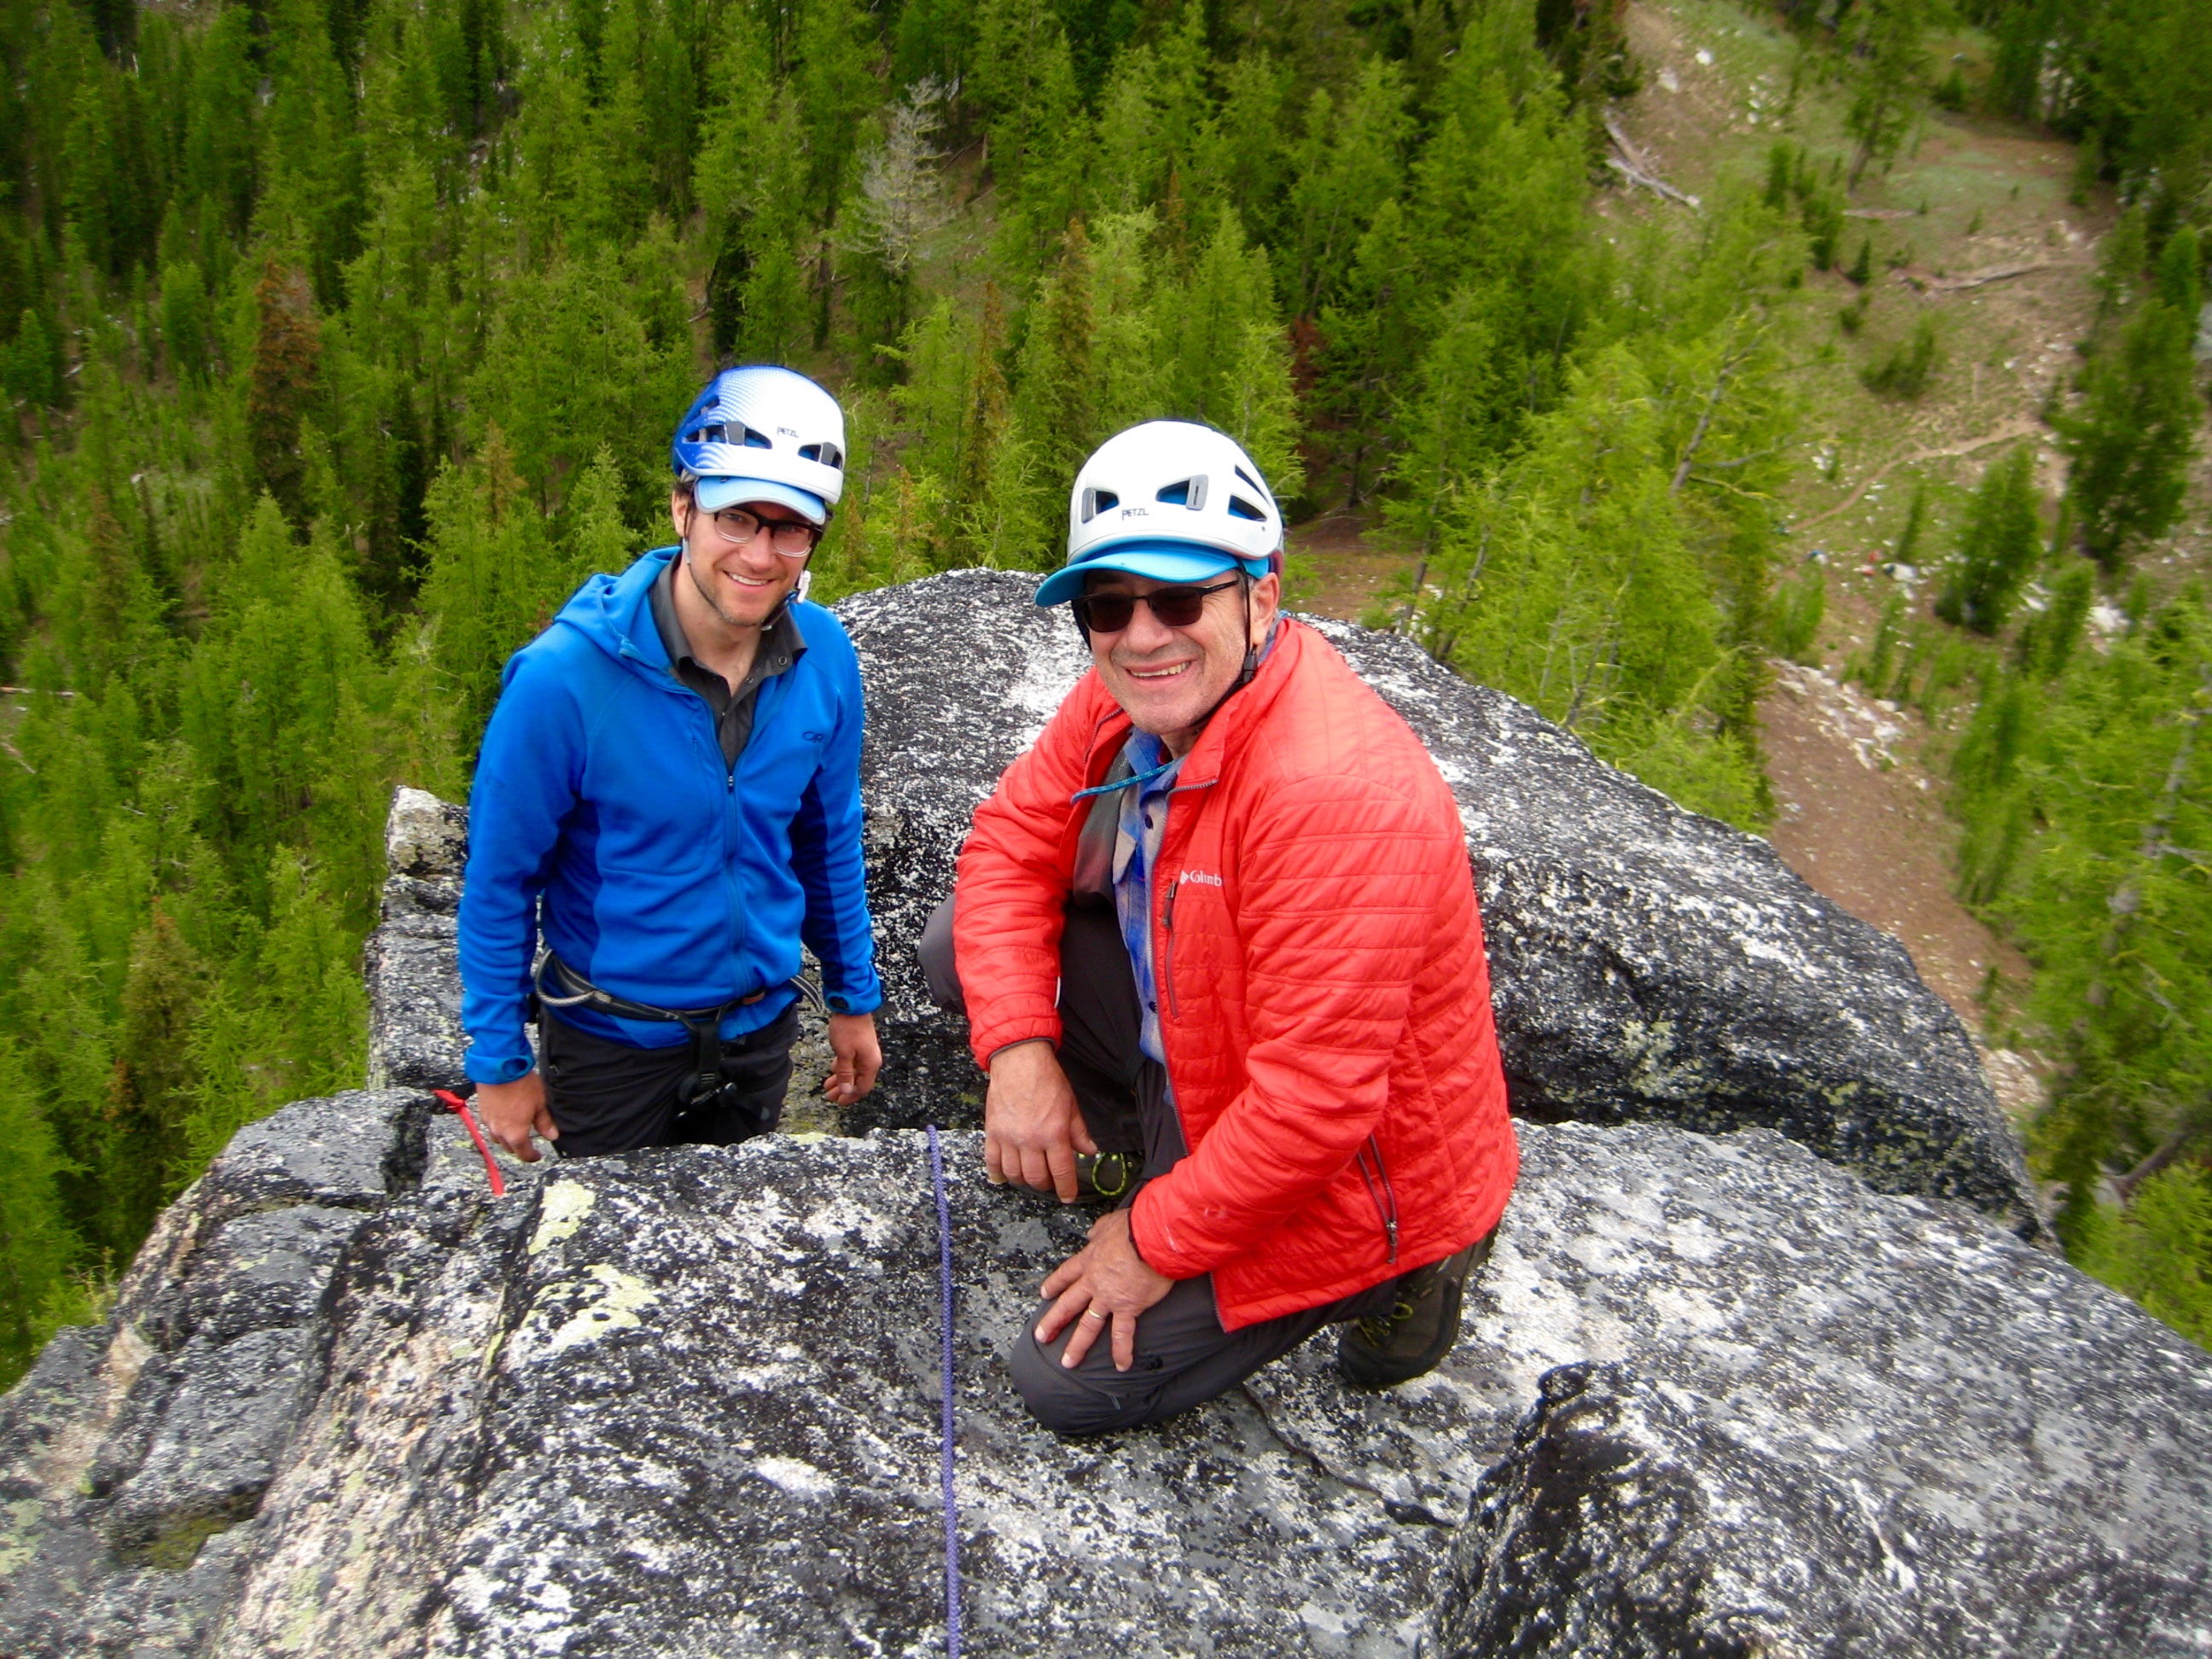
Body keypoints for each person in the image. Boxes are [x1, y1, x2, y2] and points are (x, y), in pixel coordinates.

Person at [923, 420, 1518, 1435]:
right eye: (1108, 606)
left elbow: (1315, 1106)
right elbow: (1009, 846)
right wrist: (1019, 1051)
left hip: (1348, 1166)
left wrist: (1149, 1242)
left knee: (1066, 1381)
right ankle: (1154, 1158)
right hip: (1219, 1053)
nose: (1142, 635)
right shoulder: (1127, 706)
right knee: (958, 951)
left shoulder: (1328, 791)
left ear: (1262, 594)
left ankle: (1415, 1267)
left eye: (1179, 598)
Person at [458, 365, 882, 1162]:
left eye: (790, 528)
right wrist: (499, 1060)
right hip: (610, 1043)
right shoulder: (564, 680)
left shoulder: (824, 656)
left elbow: (827, 841)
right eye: (737, 518)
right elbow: (500, 879)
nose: (760, 555)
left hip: (758, 1032)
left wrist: (852, 997)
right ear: (683, 508)